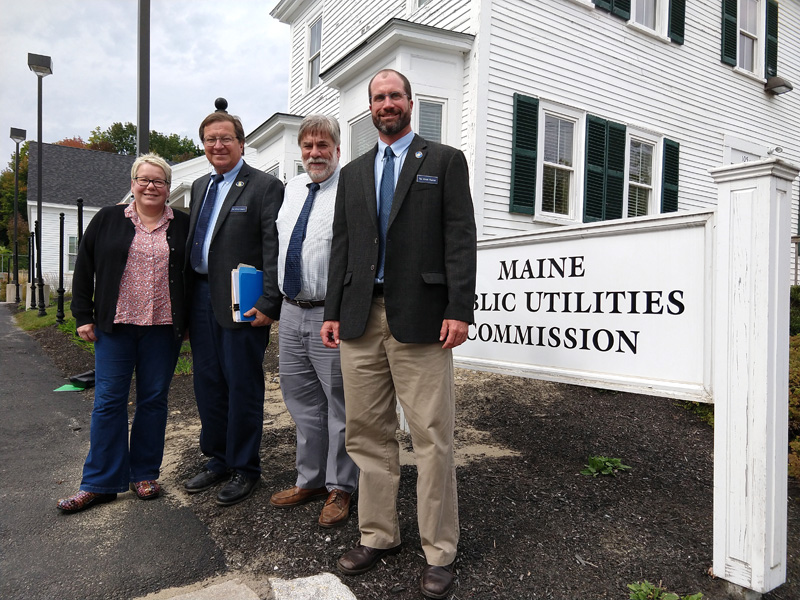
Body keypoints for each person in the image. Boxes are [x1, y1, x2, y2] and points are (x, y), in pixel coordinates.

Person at [321, 69, 477, 599]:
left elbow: (460, 237)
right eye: (378, 98)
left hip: (424, 319)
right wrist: (334, 310)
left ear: (411, 103)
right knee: (366, 433)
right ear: (370, 109)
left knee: (431, 437)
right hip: (361, 320)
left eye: (394, 95)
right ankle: (378, 533)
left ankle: (440, 551)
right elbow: (343, 243)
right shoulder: (355, 171)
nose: (386, 104)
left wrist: (460, 307)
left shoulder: (444, 161)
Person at [59, 153, 189, 513]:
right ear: (132, 183)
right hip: (115, 327)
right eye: (144, 179)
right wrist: (82, 314)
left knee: (153, 401)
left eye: (158, 181)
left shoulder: (183, 224)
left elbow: (191, 277)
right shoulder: (108, 219)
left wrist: (190, 321)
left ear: (167, 187)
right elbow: (84, 266)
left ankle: (144, 473)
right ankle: (99, 482)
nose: (151, 186)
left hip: (163, 329)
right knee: (108, 402)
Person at [183, 110, 283, 507]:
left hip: (243, 300)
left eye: (225, 139)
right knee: (207, 382)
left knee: (242, 384)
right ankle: (218, 458)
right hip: (201, 298)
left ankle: (245, 467)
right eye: (210, 140)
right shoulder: (198, 187)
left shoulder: (264, 186)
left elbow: (273, 247)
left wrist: (269, 300)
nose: (218, 146)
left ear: (241, 143)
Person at [269, 115, 358, 527]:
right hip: (291, 310)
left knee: (339, 403)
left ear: (337, 149)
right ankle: (312, 480)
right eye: (308, 146)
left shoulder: (352, 190)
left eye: (323, 145)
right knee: (302, 401)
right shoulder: (291, 189)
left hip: (329, 312)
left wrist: (340, 309)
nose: (315, 153)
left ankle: (341, 487)